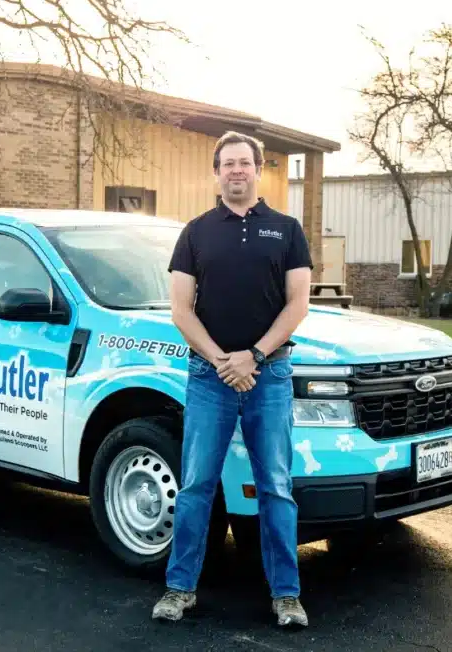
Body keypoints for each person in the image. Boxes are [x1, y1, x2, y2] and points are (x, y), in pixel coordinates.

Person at [151, 131, 313, 628]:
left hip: (270, 376)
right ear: (216, 172)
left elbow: (298, 303)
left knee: (276, 488)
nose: (236, 171)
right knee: (197, 485)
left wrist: (254, 358)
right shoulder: (196, 233)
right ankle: (180, 589)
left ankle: (286, 595)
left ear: (259, 169)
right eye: (228, 164)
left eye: (245, 163)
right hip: (208, 377)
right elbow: (181, 310)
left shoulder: (286, 230)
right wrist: (225, 360)